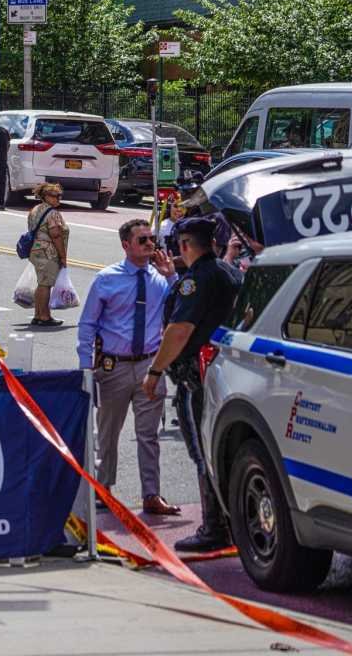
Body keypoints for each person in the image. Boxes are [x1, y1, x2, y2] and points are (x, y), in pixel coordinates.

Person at [142, 217, 242, 552]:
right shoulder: (230, 273)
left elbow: (179, 330)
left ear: (185, 244)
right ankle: (232, 523)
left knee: (202, 454)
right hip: (227, 375)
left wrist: (155, 372)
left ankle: (214, 528)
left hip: (197, 380)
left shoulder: (196, 281)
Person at [77, 219, 181, 516]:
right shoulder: (106, 279)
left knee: (148, 435)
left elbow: (179, 310)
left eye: (152, 240)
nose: (150, 245)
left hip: (149, 364)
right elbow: (87, 326)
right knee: (108, 433)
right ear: (126, 245)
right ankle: (103, 489)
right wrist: (86, 369)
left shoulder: (160, 278)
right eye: (143, 241)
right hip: (114, 367)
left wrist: (172, 277)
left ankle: (152, 494)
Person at [26, 182, 68, 327]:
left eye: (59, 196)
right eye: (54, 196)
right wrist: (63, 256)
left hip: (35, 250)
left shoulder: (35, 209)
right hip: (48, 252)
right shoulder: (52, 213)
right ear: (45, 196)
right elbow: (56, 235)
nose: (58, 198)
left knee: (42, 283)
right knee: (46, 284)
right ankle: (44, 316)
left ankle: (38, 314)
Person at [0, 122, 10, 209]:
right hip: (2, 159)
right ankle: (1, 203)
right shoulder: (4, 131)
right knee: (1, 181)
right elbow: (8, 145)